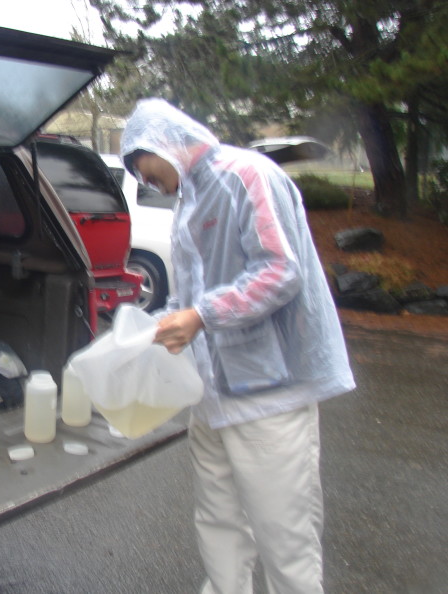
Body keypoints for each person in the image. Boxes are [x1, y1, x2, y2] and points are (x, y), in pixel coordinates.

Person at [120, 98, 355, 594]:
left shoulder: (247, 175)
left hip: (269, 396)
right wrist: (151, 328)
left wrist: (201, 317)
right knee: (219, 521)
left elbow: (279, 271)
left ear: (162, 142)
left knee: (283, 533)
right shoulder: (188, 202)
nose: (146, 182)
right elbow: (190, 297)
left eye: (144, 167)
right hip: (212, 398)